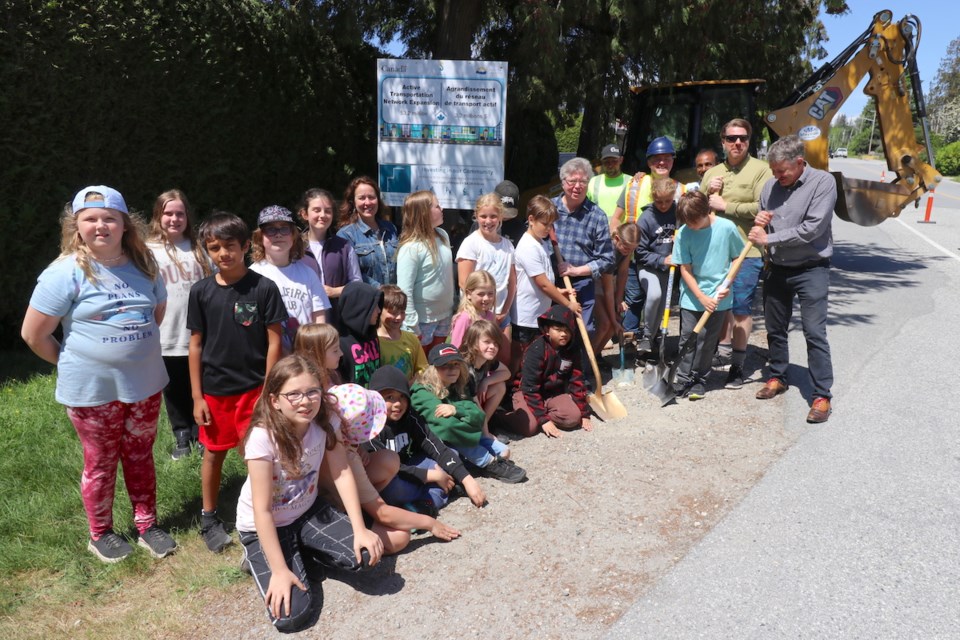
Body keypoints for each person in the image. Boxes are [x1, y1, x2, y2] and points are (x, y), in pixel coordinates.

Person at [22, 185, 177, 562]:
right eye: (90, 219)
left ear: (126, 225)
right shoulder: (64, 273)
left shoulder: (146, 266)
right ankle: (101, 533)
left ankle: (147, 525)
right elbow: (34, 334)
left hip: (144, 385)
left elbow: (155, 314)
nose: (101, 225)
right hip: (92, 391)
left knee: (141, 454)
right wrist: (73, 361)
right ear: (77, 227)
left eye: (110, 218)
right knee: (101, 460)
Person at [234, 355, 383, 632]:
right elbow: (262, 510)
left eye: (312, 391)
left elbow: (341, 472)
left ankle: (302, 551)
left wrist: (360, 527)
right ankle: (268, 556)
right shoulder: (262, 437)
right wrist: (279, 572)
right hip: (262, 526)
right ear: (274, 400)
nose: (305, 401)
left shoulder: (326, 421)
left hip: (306, 511)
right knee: (291, 617)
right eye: (294, 394)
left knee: (365, 556)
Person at [187, 212, 287, 553]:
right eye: (214, 248)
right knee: (213, 456)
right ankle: (209, 517)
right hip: (215, 393)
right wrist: (197, 396)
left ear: (246, 245)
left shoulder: (264, 288)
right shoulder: (200, 292)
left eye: (230, 246)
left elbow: (275, 341)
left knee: (256, 455)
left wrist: (267, 391)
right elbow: (195, 344)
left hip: (254, 391)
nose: (222, 254)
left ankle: (259, 515)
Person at [748, 134, 835, 424]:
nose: (776, 176)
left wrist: (769, 237)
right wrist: (761, 221)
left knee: (814, 332)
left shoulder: (823, 183)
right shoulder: (771, 185)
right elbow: (765, 215)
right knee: (775, 328)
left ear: (799, 163)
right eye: (773, 171)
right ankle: (778, 377)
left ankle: (822, 395)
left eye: (781, 171)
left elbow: (812, 228)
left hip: (812, 269)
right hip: (777, 267)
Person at [322, 382, 461, 554]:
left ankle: (380, 510)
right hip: (332, 509)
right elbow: (383, 512)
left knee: (389, 459)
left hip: (331, 498)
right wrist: (430, 523)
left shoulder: (321, 432)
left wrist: (357, 448)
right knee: (399, 538)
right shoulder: (348, 458)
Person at [701, 118, 773, 389]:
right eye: (731, 138)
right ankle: (711, 356)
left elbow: (762, 208)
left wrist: (725, 205)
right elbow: (699, 209)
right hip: (713, 251)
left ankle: (737, 367)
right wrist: (708, 193)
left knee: (741, 308)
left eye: (742, 138)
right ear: (723, 142)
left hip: (747, 250)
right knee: (714, 304)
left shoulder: (761, 170)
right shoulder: (713, 173)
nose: (737, 143)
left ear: (749, 140)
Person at [146, 189, 214, 459]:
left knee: (201, 385)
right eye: (168, 213)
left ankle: (202, 433)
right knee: (173, 387)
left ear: (188, 216)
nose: (174, 219)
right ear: (158, 216)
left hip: (200, 333)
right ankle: (181, 434)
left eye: (180, 213)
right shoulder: (148, 251)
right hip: (166, 332)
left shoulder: (200, 247)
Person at [367, 365, 488, 510]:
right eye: (389, 397)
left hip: (411, 467)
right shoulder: (369, 426)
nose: (398, 403)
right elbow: (387, 471)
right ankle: (433, 496)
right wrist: (431, 476)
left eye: (402, 397)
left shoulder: (409, 416)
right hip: (391, 478)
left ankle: (424, 504)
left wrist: (467, 479)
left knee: (451, 453)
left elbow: (434, 444)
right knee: (396, 488)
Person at [293, 322, 398, 488]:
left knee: (390, 460)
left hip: (345, 448)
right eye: (335, 350)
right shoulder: (310, 393)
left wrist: (358, 447)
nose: (341, 353)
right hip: (327, 460)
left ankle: (365, 505)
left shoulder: (332, 375)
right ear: (316, 353)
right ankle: (361, 505)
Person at [411, 344, 527, 484]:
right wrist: (469, 420)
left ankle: (476, 462)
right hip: (438, 444)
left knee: (505, 451)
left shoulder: (457, 385)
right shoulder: (422, 392)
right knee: (453, 432)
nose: (452, 369)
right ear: (433, 369)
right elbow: (447, 428)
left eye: (456, 364)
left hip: (465, 435)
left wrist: (456, 410)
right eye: (445, 365)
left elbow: (479, 415)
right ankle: (488, 463)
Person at [670, 190, 744, 401]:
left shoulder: (726, 228)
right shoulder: (684, 232)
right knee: (688, 338)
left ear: (706, 210)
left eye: (695, 221)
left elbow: (737, 258)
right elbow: (685, 269)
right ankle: (683, 378)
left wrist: (727, 283)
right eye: (688, 222)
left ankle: (700, 379)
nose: (692, 226)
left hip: (719, 297)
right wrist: (701, 297)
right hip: (692, 296)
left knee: (707, 340)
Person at [614, 137, 686, 336]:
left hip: (664, 257)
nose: (661, 162)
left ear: (673, 160)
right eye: (656, 159)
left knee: (662, 299)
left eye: (666, 158)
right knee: (633, 299)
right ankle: (628, 341)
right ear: (648, 162)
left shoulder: (681, 190)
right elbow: (616, 217)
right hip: (632, 254)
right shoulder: (635, 184)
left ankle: (651, 340)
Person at [512, 196, 581, 371]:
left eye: (551, 225)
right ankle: (514, 393)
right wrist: (567, 304)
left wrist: (558, 290)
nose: (548, 229)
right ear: (531, 220)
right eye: (545, 224)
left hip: (538, 313)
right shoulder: (528, 246)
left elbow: (544, 281)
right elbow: (542, 284)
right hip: (526, 317)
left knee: (536, 360)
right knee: (522, 361)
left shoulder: (540, 242)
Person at [250, 205, 330, 353]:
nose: (278, 235)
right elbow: (247, 326)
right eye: (270, 229)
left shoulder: (308, 273)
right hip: (267, 359)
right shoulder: (251, 276)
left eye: (284, 229)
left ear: (293, 236)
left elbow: (319, 319)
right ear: (260, 236)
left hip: (306, 355)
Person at [552, 157, 615, 336]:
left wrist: (576, 271)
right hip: (550, 284)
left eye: (583, 181)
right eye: (572, 181)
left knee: (582, 332)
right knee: (553, 331)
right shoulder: (549, 208)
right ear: (563, 183)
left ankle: (581, 364)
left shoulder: (597, 216)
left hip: (582, 284)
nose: (578, 186)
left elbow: (607, 259)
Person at [512, 305, 592, 438]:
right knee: (530, 428)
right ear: (547, 330)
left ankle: (538, 413)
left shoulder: (572, 349)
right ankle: (502, 417)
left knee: (573, 417)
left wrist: (584, 413)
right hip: (526, 392)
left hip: (551, 393)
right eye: (558, 330)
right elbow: (529, 386)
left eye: (567, 330)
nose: (563, 334)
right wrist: (544, 420)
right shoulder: (537, 349)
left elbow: (576, 380)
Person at [456, 192, 517, 360]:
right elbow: (464, 283)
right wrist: (484, 311)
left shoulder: (508, 245)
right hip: (477, 315)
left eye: (493, 216)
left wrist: (504, 311)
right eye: (483, 216)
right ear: (476, 216)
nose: (488, 221)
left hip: (501, 315)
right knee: (476, 360)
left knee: (503, 359)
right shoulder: (471, 243)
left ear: (500, 217)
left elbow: (512, 282)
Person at [396, 190, 455, 350]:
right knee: (421, 368)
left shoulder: (442, 235)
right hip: (422, 320)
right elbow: (404, 289)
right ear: (424, 213)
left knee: (438, 365)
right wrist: (411, 324)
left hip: (445, 315)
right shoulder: (411, 248)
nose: (441, 209)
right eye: (437, 206)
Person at [298, 188, 361, 325]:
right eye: (316, 210)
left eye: (327, 211)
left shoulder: (344, 247)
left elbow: (357, 285)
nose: (323, 215)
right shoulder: (295, 248)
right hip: (304, 322)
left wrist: (335, 291)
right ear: (304, 214)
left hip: (337, 321)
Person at [635, 178, 680, 359]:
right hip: (649, 266)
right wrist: (662, 259)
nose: (663, 205)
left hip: (669, 268)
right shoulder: (646, 218)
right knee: (655, 295)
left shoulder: (678, 212)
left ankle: (651, 344)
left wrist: (681, 241)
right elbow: (640, 252)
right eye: (658, 201)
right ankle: (646, 334)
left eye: (667, 201)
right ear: (653, 197)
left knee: (662, 306)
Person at [336, 176, 398, 288]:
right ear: (353, 202)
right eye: (362, 198)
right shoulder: (345, 235)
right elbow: (351, 274)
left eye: (371, 197)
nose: (367, 202)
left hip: (394, 301)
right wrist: (381, 289)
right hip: (367, 301)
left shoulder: (391, 229)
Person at [459, 319, 513, 443]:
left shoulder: (485, 359)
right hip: (459, 406)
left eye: (495, 343)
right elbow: (475, 405)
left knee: (500, 385)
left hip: (473, 399)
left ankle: (482, 429)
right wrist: (487, 434)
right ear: (473, 343)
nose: (492, 347)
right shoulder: (467, 368)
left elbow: (506, 373)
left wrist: (486, 381)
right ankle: (482, 433)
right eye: (487, 342)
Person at [334, 281, 383, 386]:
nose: (379, 311)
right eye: (374, 306)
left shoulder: (372, 335)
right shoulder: (339, 343)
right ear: (360, 308)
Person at [376, 285, 428, 382]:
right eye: (393, 312)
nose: (399, 317)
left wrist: (409, 386)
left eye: (402, 312)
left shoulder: (412, 339)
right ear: (379, 310)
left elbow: (422, 369)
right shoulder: (373, 342)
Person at [449, 270, 496, 347]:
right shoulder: (465, 318)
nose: (486, 298)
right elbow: (455, 347)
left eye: (490, 293)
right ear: (468, 294)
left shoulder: (490, 316)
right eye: (481, 294)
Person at [587, 144, 628, 222]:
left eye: (614, 161)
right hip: (598, 232)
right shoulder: (593, 182)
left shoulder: (631, 181)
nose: (610, 165)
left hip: (622, 232)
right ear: (602, 162)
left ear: (621, 160)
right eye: (606, 162)